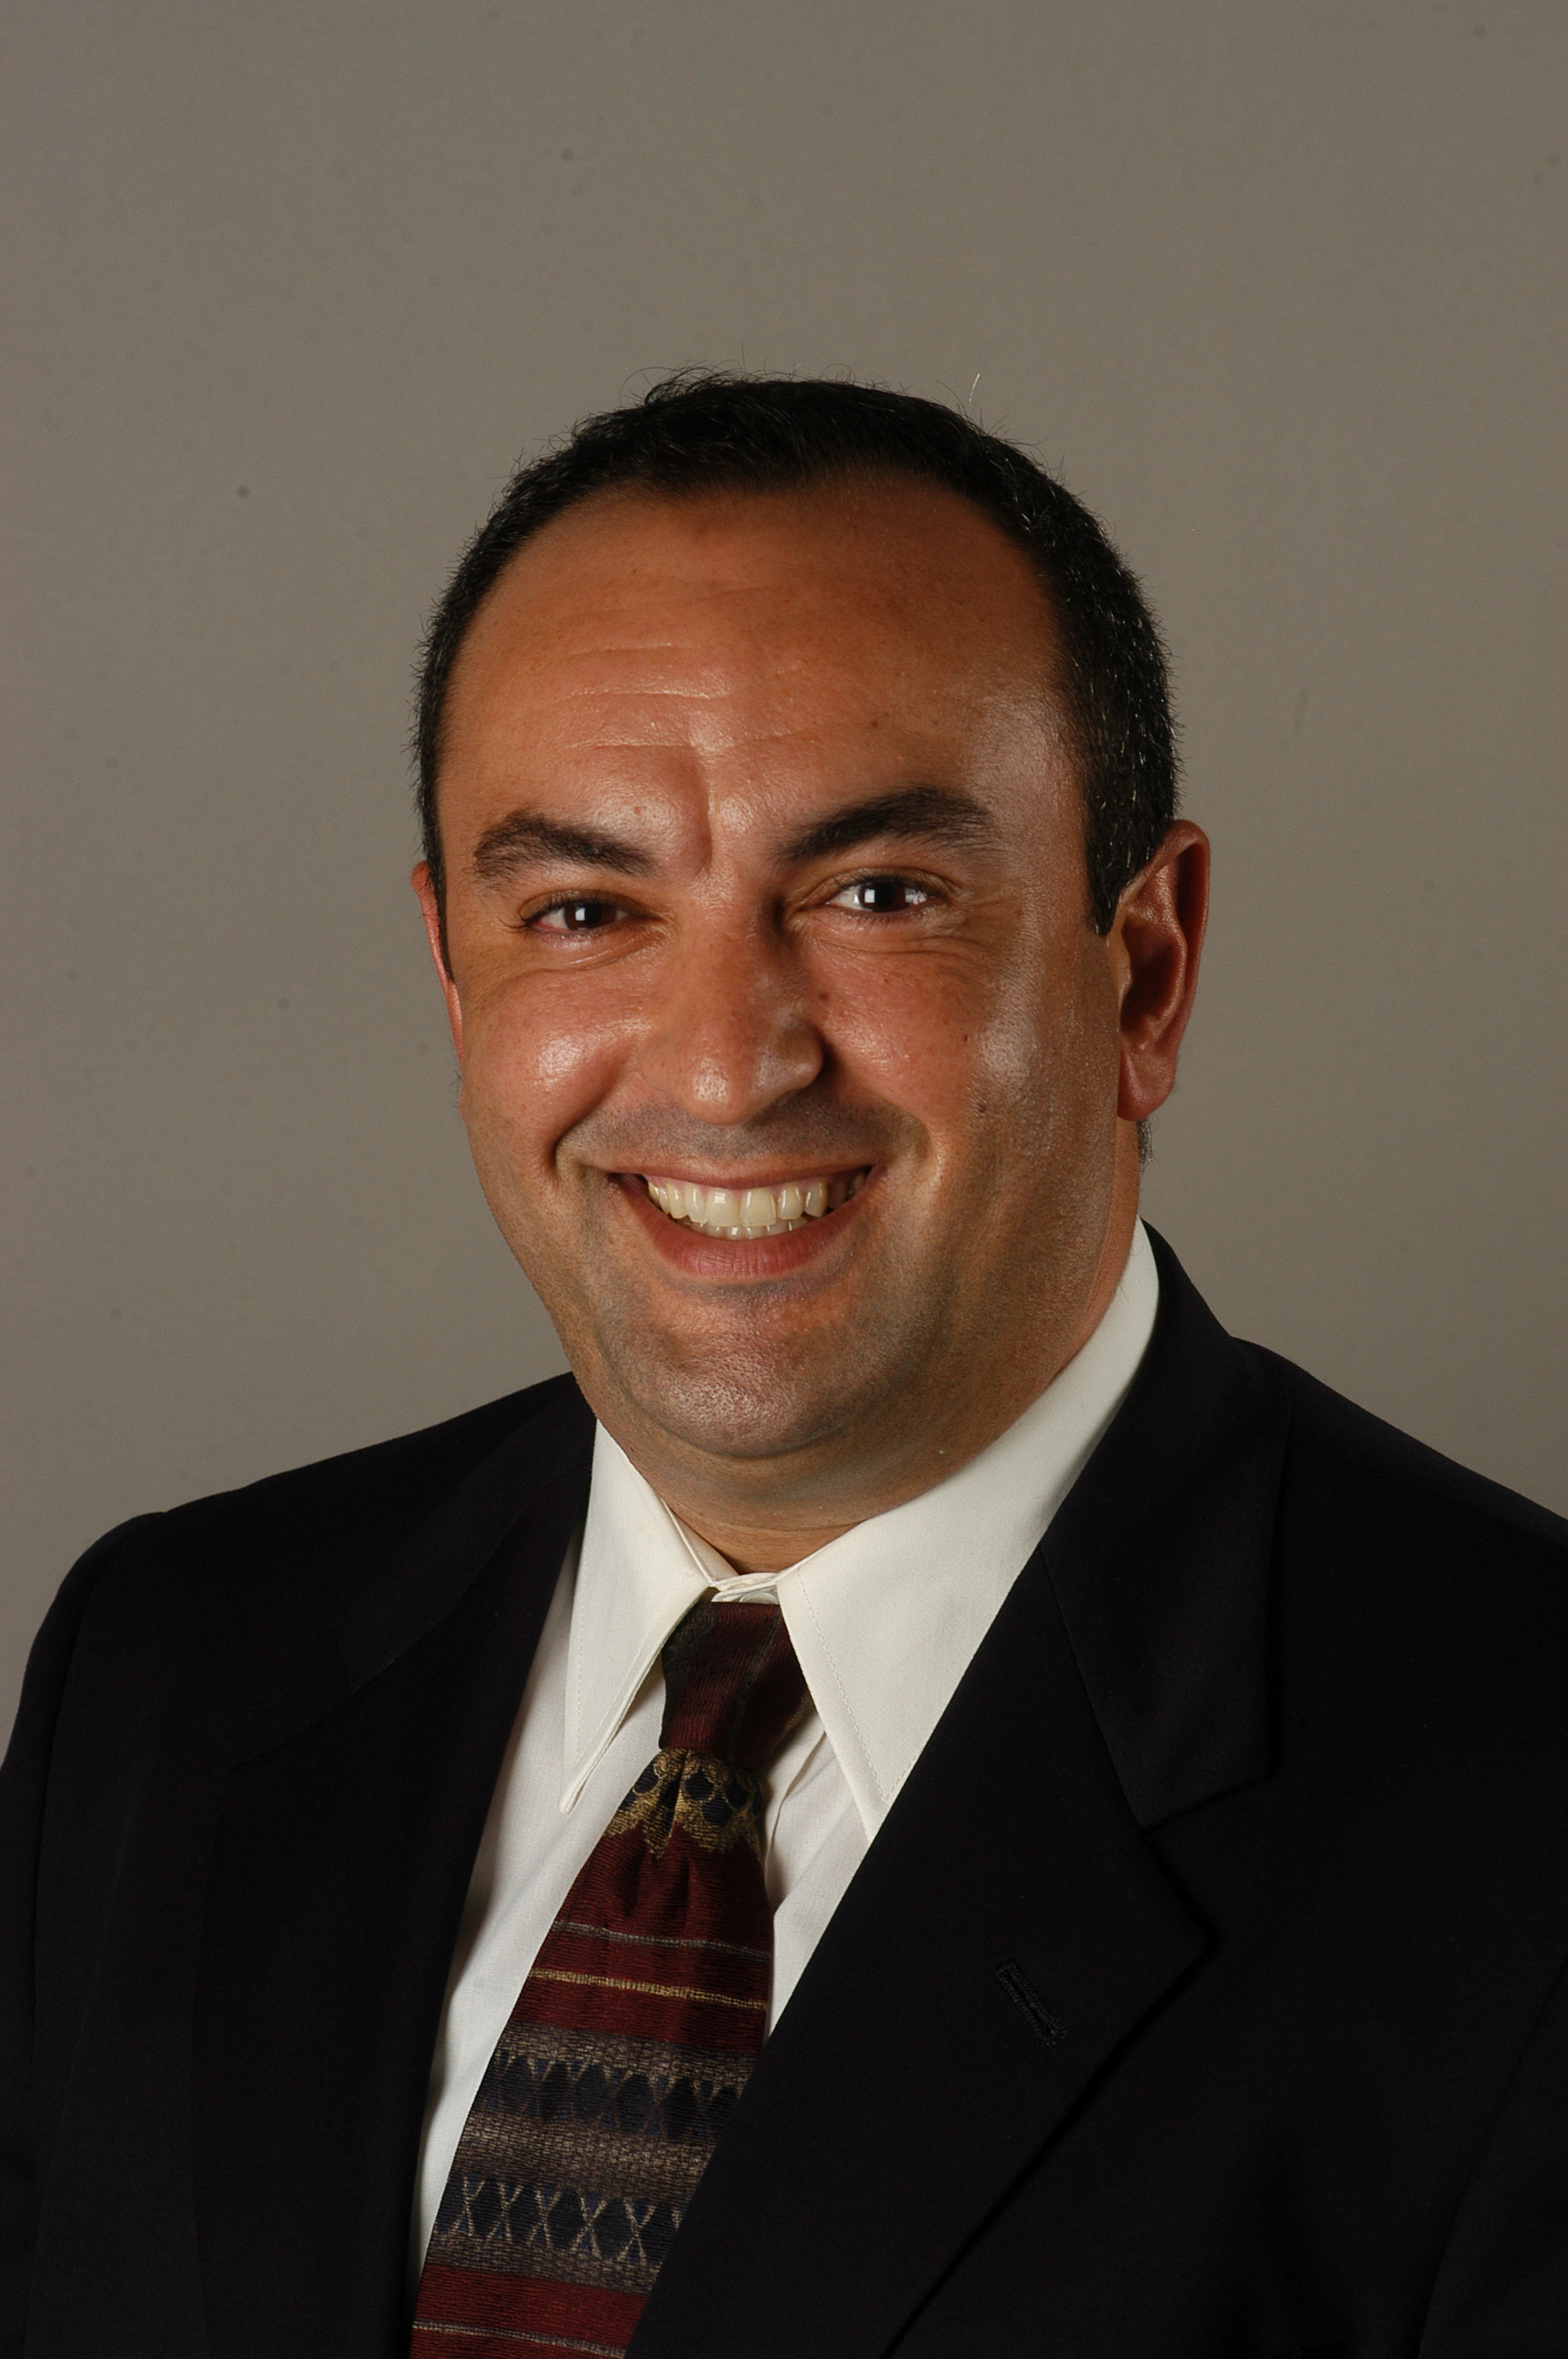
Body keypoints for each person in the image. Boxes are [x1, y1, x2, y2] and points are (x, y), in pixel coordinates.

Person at [2, 374, 1565, 2359]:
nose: (727, 1065)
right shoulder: (168, 1672)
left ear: (1143, 969)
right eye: (585, 909)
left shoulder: (1520, 1813)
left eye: (877, 896)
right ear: (455, 979)